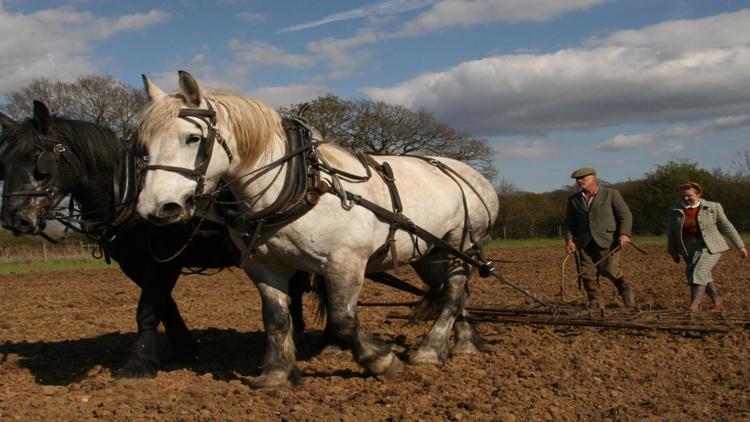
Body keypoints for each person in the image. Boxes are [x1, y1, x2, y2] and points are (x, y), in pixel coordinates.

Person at [667, 181, 747, 312]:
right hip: (688, 248)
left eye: (689, 196)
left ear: (698, 194)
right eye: (683, 196)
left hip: (710, 247)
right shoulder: (674, 210)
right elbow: (672, 232)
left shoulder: (713, 207)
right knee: (703, 275)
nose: (686, 199)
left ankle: (693, 307)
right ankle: (717, 302)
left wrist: (740, 246)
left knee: (698, 273)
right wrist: (673, 251)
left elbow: (727, 227)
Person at [565, 167, 636, 309]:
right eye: (577, 179)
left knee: (610, 270)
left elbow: (625, 215)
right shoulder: (574, 200)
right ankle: (596, 303)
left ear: (594, 178)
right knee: (587, 273)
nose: (580, 181)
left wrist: (624, 234)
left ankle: (627, 294)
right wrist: (569, 240)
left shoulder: (611, 194)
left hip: (608, 240)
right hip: (584, 242)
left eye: (583, 178)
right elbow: (570, 222)